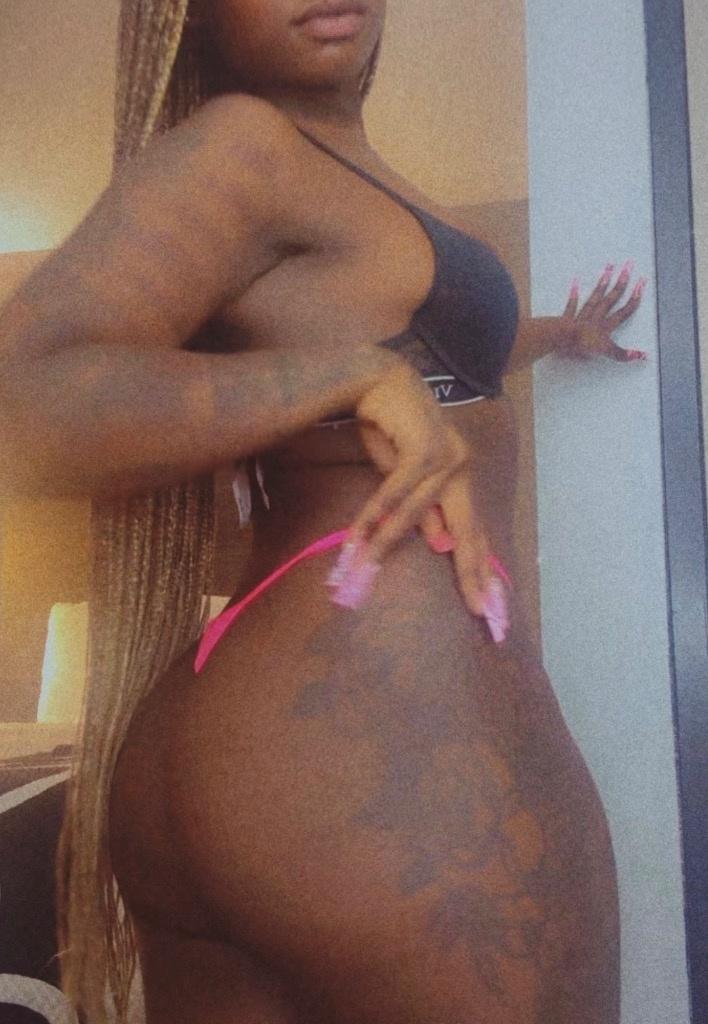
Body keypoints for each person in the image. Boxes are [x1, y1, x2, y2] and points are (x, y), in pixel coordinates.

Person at [0, 1, 647, 1021]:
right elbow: (21, 407)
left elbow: (432, 361)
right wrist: (351, 376)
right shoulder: (247, 144)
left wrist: (555, 334)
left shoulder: (332, 171)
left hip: (271, 736)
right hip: (367, 727)